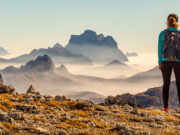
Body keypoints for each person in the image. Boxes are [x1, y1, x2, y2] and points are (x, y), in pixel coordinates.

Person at [158, 13, 180, 112]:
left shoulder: (162, 34)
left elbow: (160, 49)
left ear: (167, 22)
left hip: (165, 61)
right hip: (178, 62)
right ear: (177, 21)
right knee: (179, 85)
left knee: (166, 84)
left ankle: (166, 108)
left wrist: (160, 62)